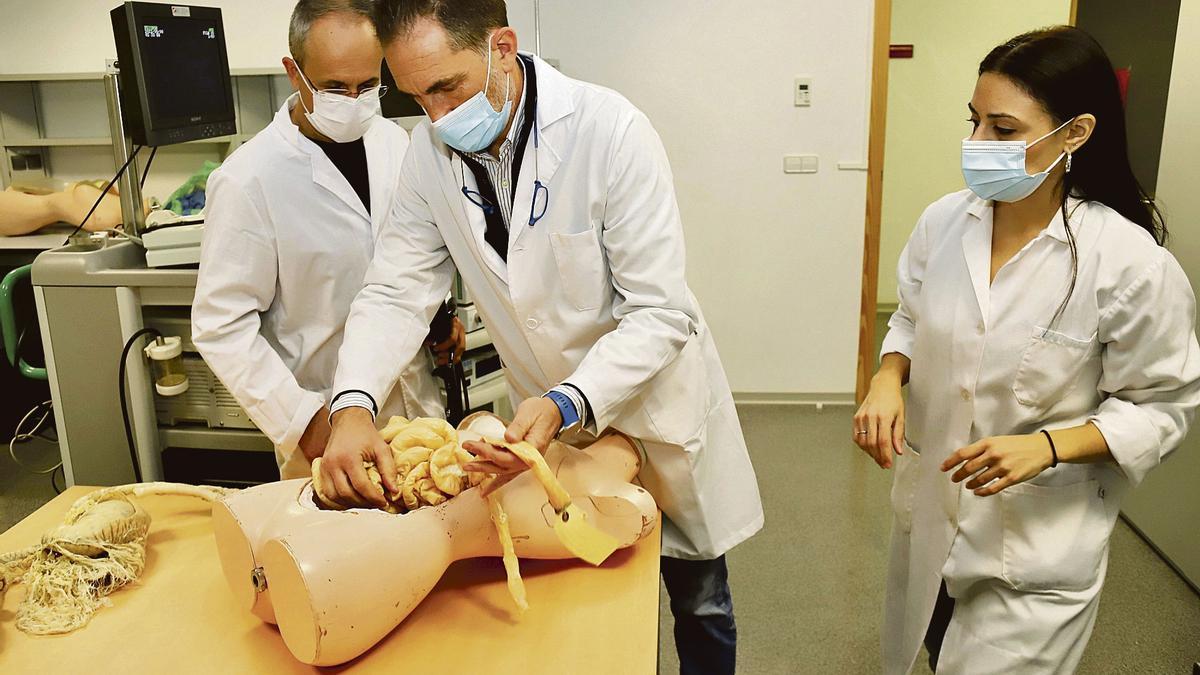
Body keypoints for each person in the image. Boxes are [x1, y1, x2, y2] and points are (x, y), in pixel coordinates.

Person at [317, 1, 763, 672]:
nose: (435, 116)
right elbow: (396, 289)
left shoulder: (611, 131)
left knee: (698, 597)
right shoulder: (428, 156)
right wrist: (351, 404)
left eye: (446, 87)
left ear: (502, 48)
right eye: (414, 96)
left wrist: (566, 401)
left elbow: (660, 312)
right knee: (580, 591)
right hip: (547, 424)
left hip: (649, 404)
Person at [855, 26, 1200, 674]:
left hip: (1035, 546)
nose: (977, 144)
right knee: (932, 648)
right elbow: (909, 316)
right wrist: (886, 377)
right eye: (974, 120)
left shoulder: (1127, 264)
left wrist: (1047, 445)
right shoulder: (943, 222)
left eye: (1004, 129)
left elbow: (1165, 406)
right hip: (932, 515)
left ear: (1075, 133)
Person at [192, 0, 460, 480]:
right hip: (320, 428)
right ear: (295, 74)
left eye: (368, 85)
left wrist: (440, 319)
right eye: (336, 87)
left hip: (416, 410)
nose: (355, 100)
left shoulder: (394, 143)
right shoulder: (248, 180)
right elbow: (222, 326)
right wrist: (306, 424)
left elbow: (406, 258)